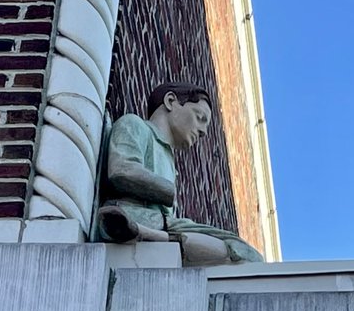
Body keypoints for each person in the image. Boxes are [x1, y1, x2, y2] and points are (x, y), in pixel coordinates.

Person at [95, 83, 263, 264]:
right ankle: (136, 229)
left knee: (244, 254)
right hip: (132, 212)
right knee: (242, 251)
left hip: (160, 225)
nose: (203, 131)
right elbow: (120, 170)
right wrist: (167, 190)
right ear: (170, 101)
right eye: (200, 118)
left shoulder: (169, 162)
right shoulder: (134, 125)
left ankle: (147, 234)